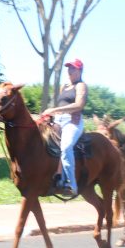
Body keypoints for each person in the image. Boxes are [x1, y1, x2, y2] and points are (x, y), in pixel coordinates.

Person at [42, 59, 88, 196]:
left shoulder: (81, 86)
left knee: (66, 147)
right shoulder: (64, 86)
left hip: (72, 122)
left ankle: (71, 184)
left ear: (80, 71)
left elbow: (79, 105)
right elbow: (60, 105)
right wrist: (51, 116)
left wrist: (55, 110)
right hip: (58, 120)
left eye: (73, 68)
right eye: (68, 68)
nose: (69, 71)